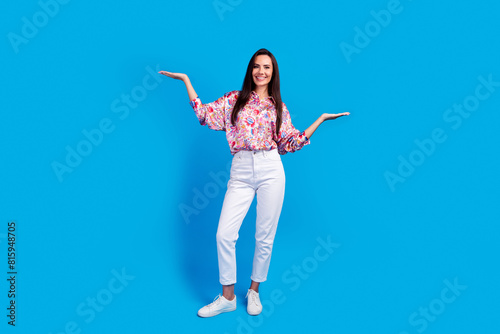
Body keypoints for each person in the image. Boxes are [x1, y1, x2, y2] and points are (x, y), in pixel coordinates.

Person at [159, 48, 349, 317]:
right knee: (224, 234)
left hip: (271, 167)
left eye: (267, 67)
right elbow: (203, 116)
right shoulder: (233, 100)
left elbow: (289, 143)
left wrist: (320, 120)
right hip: (241, 170)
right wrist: (186, 81)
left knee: (265, 236)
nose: (261, 71)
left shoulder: (278, 107)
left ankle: (254, 291)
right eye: (257, 66)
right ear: (250, 70)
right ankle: (227, 298)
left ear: (273, 73)